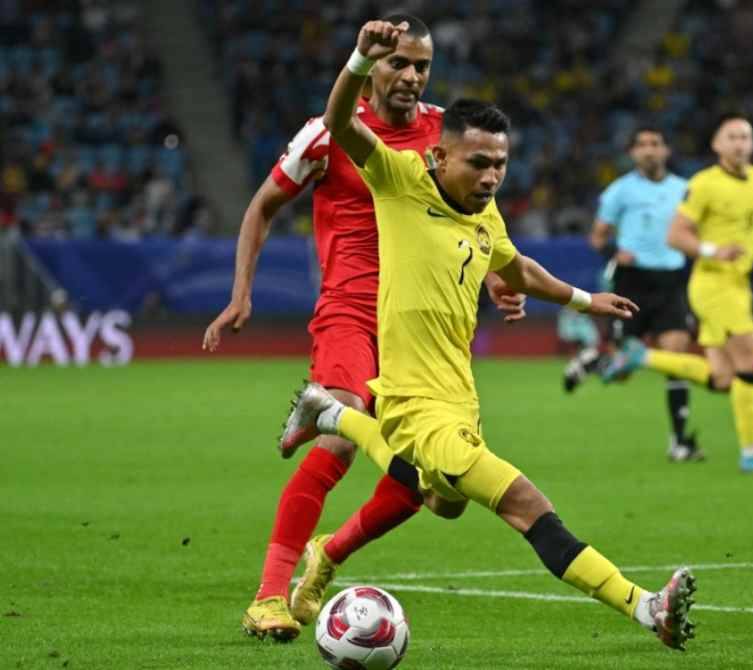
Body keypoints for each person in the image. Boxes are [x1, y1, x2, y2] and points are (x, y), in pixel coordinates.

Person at [281, 19, 697, 650]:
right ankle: (644, 607)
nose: (492, 176)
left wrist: (587, 299)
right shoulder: (400, 182)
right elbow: (341, 124)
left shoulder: (484, 211)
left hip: (460, 399)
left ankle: (330, 417)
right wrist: (360, 61)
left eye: (501, 164)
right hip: (419, 405)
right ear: (439, 155)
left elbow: (517, 268)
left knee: (435, 500)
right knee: (527, 505)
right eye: (478, 162)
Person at [202, 15, 525, 642]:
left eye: (420, 66)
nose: (408, 76)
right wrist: (239, 294)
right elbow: (262, 206)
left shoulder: (445, 132)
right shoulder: (328, 133)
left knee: (428, 487)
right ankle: (269, 595)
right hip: (351, 307)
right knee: (342, 431)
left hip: (423, 323)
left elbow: (476, 212)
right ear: (371, 64)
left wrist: (495, 277)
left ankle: (327, 555)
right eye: (397, 63)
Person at [603, 114, 753, 475]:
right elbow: (676, 236)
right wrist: (712, 250)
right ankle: (752, 454)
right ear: (717, 145)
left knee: (723, 379)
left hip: (739, 285)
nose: (739, 143)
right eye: (732, 137)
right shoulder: (703, 184)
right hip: (712, 285)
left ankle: (641, 357)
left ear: (752, 144)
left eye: (745, 137)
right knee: (752, 360)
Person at [564, 126, 699, 461]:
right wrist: (613, 250)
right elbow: (597, 238)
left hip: (670, 279)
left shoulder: (686, 190)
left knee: (678, 359)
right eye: (642, 145)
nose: (649, 150)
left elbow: (694, 230)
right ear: (634, 153)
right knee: (623, 369)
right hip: (632, 280)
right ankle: (594, 360)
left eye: (656, 143)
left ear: (666, 151)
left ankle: (680, 442)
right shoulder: (619, 191)